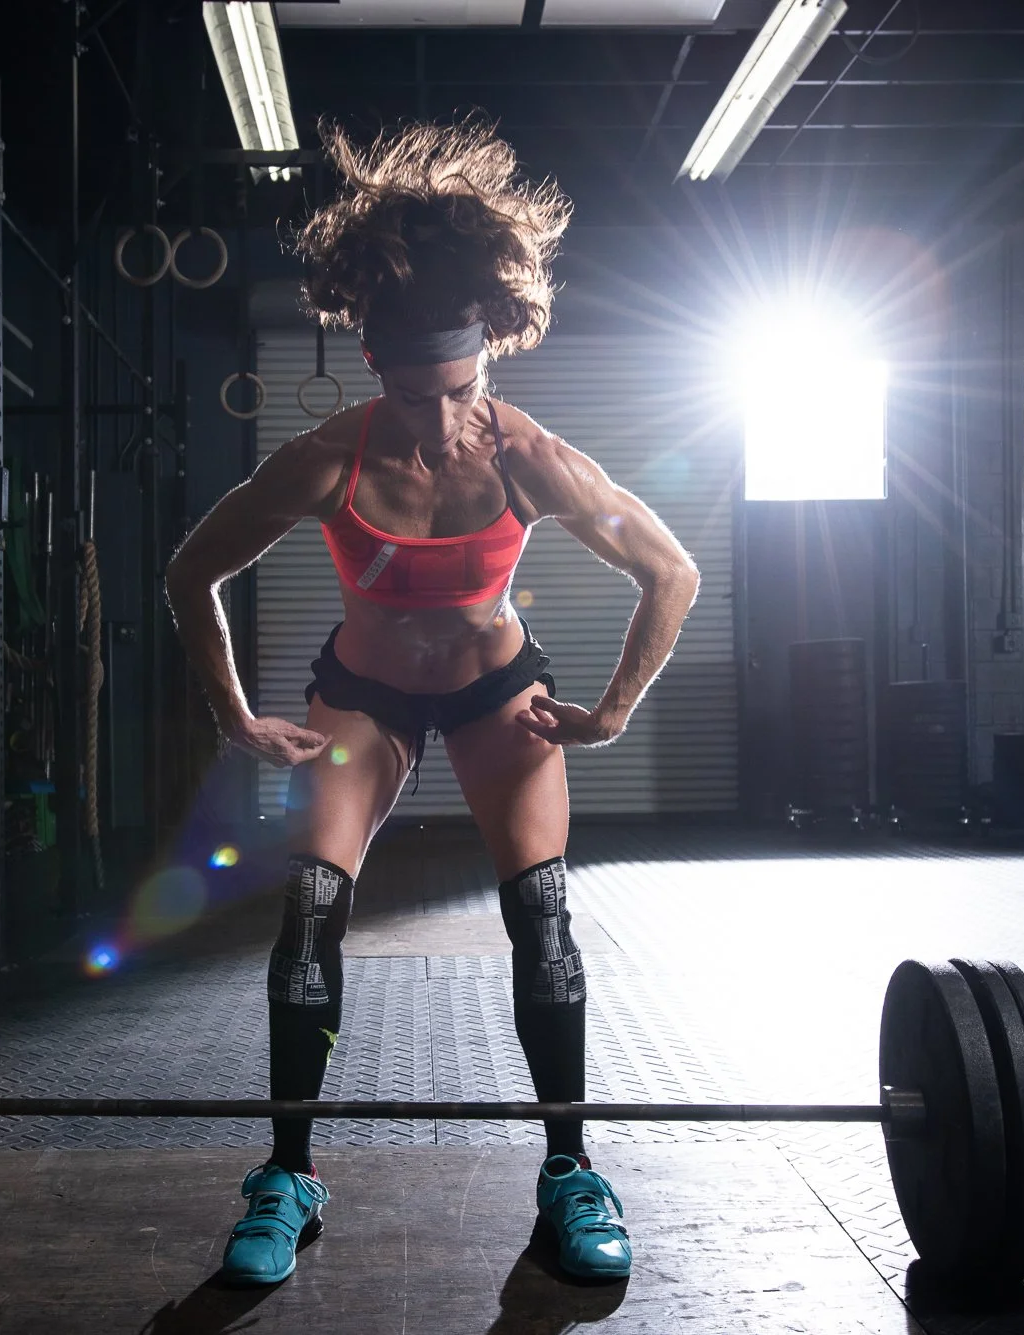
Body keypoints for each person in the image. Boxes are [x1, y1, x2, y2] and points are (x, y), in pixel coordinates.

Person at [163, 118, 700, 1286]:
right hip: (362, 696)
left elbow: (670, 571)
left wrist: (610, 709)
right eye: (413, 398)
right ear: (376, 372)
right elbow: (188, 572)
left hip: (495, 691)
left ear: (486, 360)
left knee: (541, 917)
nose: (439, 423)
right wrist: (231, 714)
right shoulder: (325, 460)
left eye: (456, 392)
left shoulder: (529, 458)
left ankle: (569, 1169)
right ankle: (286, 1177)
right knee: (309, 909)